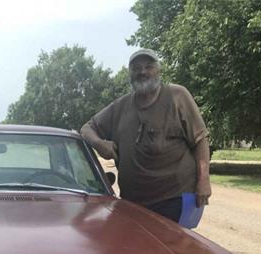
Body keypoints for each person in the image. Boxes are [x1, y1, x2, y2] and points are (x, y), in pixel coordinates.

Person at [80, 48, 211, 222]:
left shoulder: (177, 96)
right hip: (133, 202)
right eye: (136, 68)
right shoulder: (121, 106)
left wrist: (204, 181)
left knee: (171, 248)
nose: (142, 72)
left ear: (158, 70)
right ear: (130, 73)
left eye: (148, 66)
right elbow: (86, 129)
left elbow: (200, 140)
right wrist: (99, 144)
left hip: (174, 199)